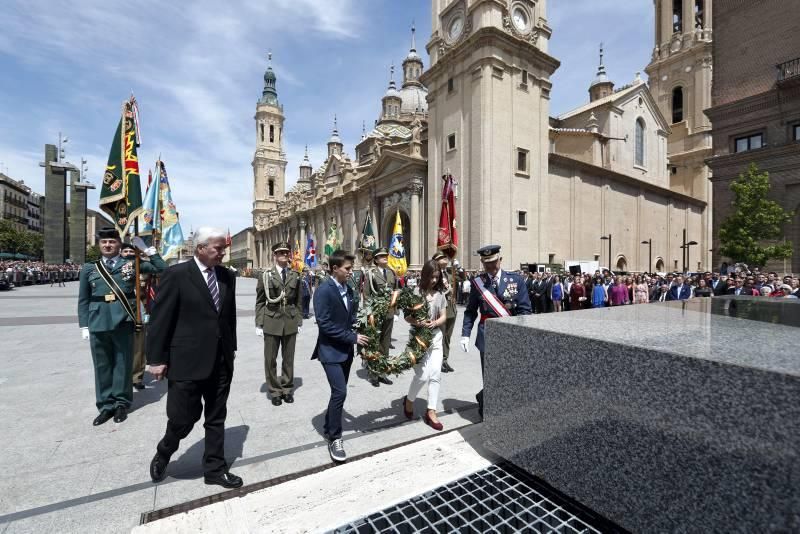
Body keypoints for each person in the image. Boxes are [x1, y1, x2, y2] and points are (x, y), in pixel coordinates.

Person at [146, 227, 242, 489]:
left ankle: (214, 469)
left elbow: (228, 316)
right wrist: (156, 359)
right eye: (218, 248)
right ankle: (165, 450)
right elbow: (160, 319)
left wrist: (231, 347)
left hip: (220, 361)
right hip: (186, 361)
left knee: (216, 417)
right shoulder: (176, 275)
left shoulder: (226, 276)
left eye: (223, 248)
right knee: (182, 418)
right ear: (201, 248)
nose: (223, 252)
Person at [78, 229, 163, 426]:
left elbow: (163, 268)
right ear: (99, 245)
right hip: (98, 322)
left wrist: (147, 250)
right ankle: (105, 405)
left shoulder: (132, 264)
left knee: (122, 365)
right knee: (102, 365)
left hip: (123, 321)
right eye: (104, 242)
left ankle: (121, 403)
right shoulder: (89, 268)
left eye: (112, 242)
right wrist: (84, 325)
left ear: (119, 244)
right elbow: (83, 299)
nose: (108, 245)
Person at [460, 245, 531, 419]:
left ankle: (486, 398)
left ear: (500, 259)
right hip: (487, 334)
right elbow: (470, 311)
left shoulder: (515, 280)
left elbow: (525, 310)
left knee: (511, 375)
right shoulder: (478, 283)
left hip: (511, 336)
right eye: (486, 264)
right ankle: (490, 412)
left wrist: (523, 335)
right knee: (490, 375)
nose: (490, 267)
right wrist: (465, 334)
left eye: (493, 262)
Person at [312, 249, 369, 463]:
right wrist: (352, 337)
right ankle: (335, 437)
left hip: (345, 351)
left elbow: (351, 315)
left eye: (351, 268)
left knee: (339, 393)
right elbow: (324, 324)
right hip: (330, 351)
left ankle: (328, 425)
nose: (350, 272)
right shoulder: (324, 290)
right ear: (334, 269)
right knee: (340, 392)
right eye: (347, 269)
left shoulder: (349, 288)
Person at [255, 242, 303, 406]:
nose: (283, 254)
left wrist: (298, 321)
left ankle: (287, 388)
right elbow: (260, 301)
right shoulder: (266, 275)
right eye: (280, 252)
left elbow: (298, 301)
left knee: (288, 359)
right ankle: (275, 391)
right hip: (272, 319)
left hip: (289, 320)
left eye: (286, 252)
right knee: (270, 359)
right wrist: (259, 323)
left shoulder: (296, 275)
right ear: (274, 255)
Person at [403, 260, 447, 430]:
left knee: (435, 374)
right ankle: (409, 400)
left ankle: (431, 411)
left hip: (435, 337)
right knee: (421, 376)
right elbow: (407, 317)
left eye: (437, 277)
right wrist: (418, 322)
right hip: (419, 339)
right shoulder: (416, 292)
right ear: (425, 275)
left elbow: (444, 316)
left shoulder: (440, 294)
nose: (434, 280)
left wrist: (435, 322)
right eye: (432, 277)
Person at [120, 241, 168, 391]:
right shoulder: (114, 266)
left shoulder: (140, 265)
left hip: (140, 309)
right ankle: (121, 376)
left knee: (139, 346)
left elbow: (163, 269)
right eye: (125, 252)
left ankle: (137, 376)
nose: (128, 254)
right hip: (119, 309)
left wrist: (150, 252)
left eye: (131, 252)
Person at [362, 247, 396, 387]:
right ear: (375, 259)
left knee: (385, 343)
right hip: (375, 313)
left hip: (388, 313)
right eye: (381, 256)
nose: (384, 257)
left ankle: (383, 372)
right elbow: (366, 295)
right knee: (374, 343)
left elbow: (395, 292)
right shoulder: (371, 274)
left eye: (385, 255)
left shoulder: (391, 272)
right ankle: (373, 374)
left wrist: (396, 309)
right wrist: (368, 313)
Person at [433, 251, 457, 373]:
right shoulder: (434, 275)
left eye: (446, 258)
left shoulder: (448, 273)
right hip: (441, 309)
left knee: (447, 336)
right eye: (442, 258)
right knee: (440, 336)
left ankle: (445, 359)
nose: (446, 259)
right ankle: (439, 361)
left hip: (451, 308)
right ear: (436, 261)